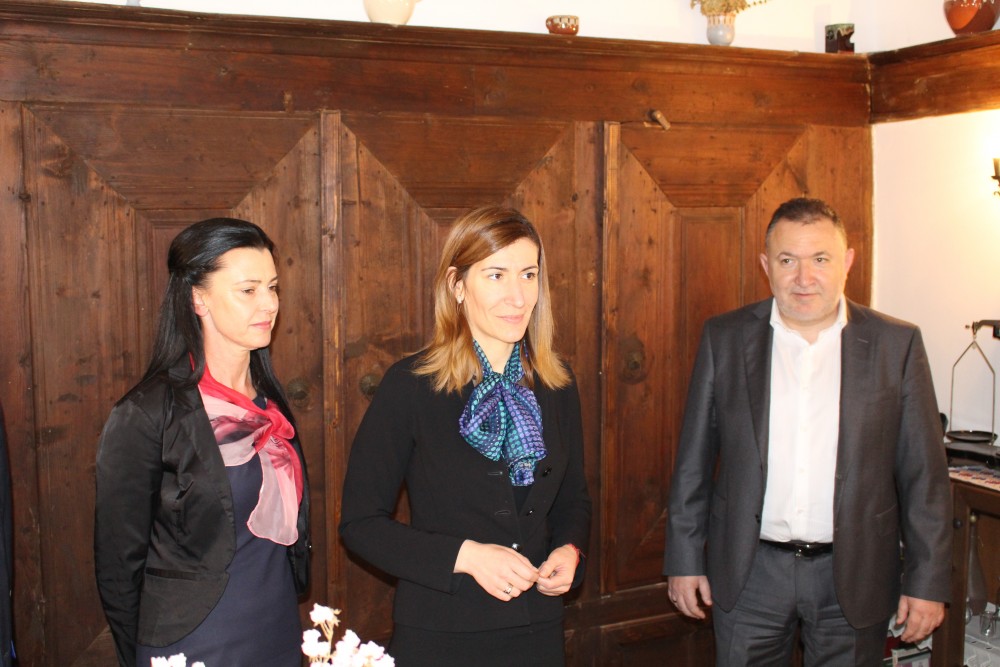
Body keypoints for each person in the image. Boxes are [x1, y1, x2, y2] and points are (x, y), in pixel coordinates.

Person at [663, 197, 952, 665]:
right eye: (787, 260)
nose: (804, 278)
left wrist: (927, 581)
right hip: (749, 574)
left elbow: (925, 478)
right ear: (766, 266)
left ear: (847, 262)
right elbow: (692, 463)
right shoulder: (725, 338)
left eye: (820, 259)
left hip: (855, 575)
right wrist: (684, 559)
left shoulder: (896, 345)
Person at [339, 206, 591, 667]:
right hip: (442, 632)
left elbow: (573, 499)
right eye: (496, 275)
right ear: (457, 285)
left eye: (528, 274)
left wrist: (570, 549)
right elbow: (360, 525)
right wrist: (466, 556)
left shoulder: (557, 383)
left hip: (538, 631)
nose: (517, 296)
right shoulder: (410, 385)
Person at [94, 218, 310, 667]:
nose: (269, 304)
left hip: (276, 626)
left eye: (273, 287)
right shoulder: (147, 413)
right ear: (198, 298)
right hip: (196, 637)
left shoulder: (269, 403)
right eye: (248, 290)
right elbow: (118, 565)